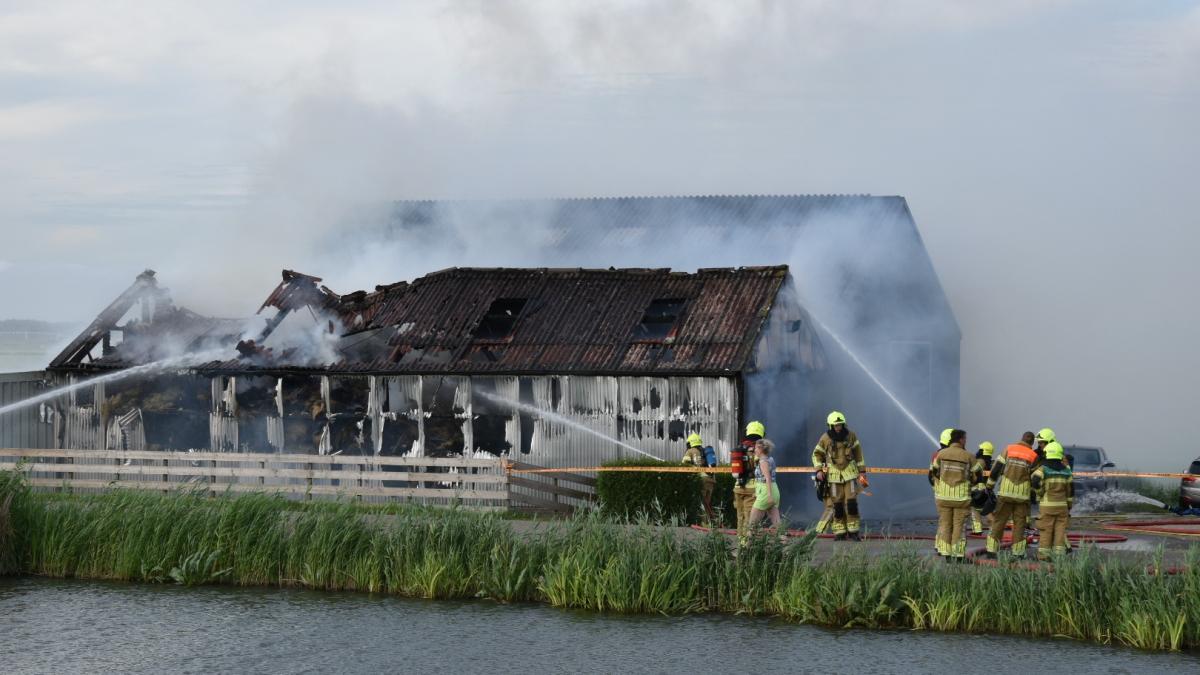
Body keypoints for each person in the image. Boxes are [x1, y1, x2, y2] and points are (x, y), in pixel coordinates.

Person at [812, 411, 868, 541]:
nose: (839, 428)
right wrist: (819, 470)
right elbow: (816, 454)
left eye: (840, 425)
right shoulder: (825, 438)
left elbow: (859, 454)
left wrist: (862, 472)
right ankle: (840, 532)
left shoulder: (851, 436)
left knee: (851, 502)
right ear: (831, 426)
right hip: (833, 476)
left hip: (849, 474)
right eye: (836, 425)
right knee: (837, 504)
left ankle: (853, 531)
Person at [984, 431, 1039, 559]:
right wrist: (1033, 495)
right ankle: (1018, 552)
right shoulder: (1033, 455)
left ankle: (992, 550)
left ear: (1021, 439)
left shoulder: (1009, 449)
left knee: (999, 521)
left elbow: (997, 468)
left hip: (1005, 493)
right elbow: (1035, 478)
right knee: (1020, 524)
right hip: (1022, 496)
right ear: (1032, 443)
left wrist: (989, 486)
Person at [929, 429, 977, 562]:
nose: (966, 441)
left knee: (945, 524)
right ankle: (958, 554)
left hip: (943, 496)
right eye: (965, 439)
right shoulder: (969, 456)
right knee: (959, 526)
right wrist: (970, 482)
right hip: (961, 497)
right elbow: (977, 475)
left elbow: (933, 473)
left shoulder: (941, 454)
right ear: (961, 439)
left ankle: (946, 553)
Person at [1032, 441, 1074, 559]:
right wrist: (1069, 505)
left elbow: (1035, 481)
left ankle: (1044, 557)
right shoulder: (1067, 471)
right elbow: (1071, 491)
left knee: (1046, 530)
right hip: (1062, 507)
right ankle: (1059, 557)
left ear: (1047, 454)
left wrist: (1040, 493)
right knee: (1060, 532)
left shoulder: (1043, 469)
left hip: (1047, 506)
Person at [733, 421, 764, 542]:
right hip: (752, 489)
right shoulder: (758, 449)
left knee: (740, 516)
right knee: (750, 517)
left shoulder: (740, 448)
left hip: (738, 487)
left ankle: (741, 542)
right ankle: (747, 546)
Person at [748, 438, 782, 531]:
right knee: (778, 526)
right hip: (774, 491)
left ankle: (746, 545)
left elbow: (767, 478)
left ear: (761, 449)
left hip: (766, 493)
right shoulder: (770, 459)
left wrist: (768, 495)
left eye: (756, 448)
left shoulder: (763, 462)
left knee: (751, 526)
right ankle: (786, 544)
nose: (754, 450)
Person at [682, 433, 716, 522]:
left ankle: (703, 523)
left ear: (690, 443)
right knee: (707, 503)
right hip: (711, 480)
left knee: (701, 503)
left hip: (701, 480)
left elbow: (684, 464)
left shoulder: (690, 451)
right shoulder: (705, 451)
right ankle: (711, 522)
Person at [970, 441, 995, 535]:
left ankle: (992, 529)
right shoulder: (989, 463)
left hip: (977, 489)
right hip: (984, 489)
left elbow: (974, 473)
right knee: (977, 509)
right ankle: (977, 530)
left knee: (982, 510)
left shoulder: (980, 461)